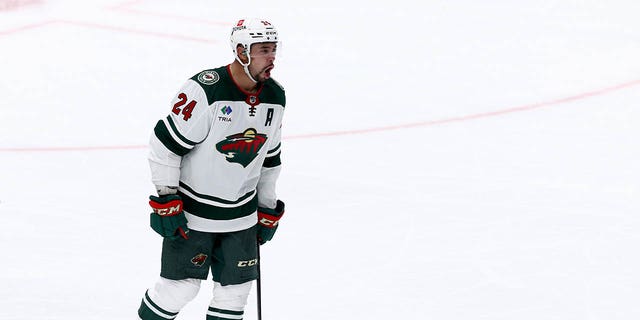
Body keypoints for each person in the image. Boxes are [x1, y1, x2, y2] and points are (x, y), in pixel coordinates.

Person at [137, 18, 286, 320]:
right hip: (194, 215)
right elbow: (165, 144)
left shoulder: (275, 96)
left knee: (236, 292)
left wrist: (267, 208)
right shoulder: (205, 90)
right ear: (242, 52)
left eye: (273, 49)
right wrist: (166, 198)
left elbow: (269, 159)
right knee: (179, 288)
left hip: (241, 216)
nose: (271, 57)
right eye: (263, 50)